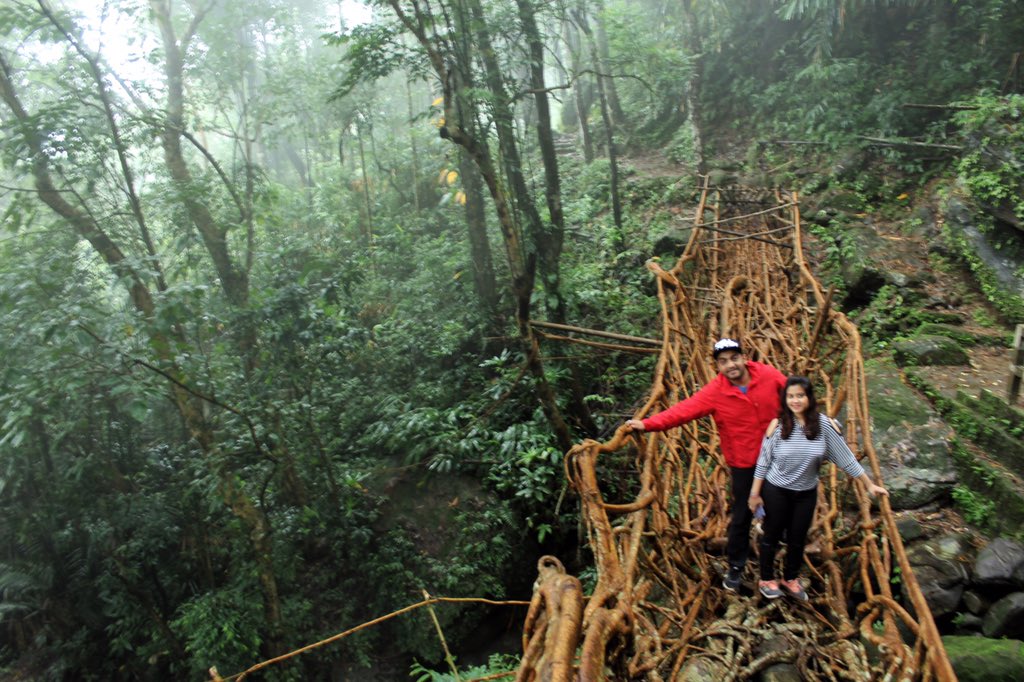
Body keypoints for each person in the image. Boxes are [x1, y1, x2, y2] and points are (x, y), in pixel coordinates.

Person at [625, 338, 786, 591]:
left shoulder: (768, 375)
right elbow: (682, 411)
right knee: (741, 516)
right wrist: (647, 424)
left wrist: (818, 423)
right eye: (723, 362)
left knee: (782, 504)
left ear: (744, 358)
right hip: (744, 463)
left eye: (734, 358)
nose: (730, 365)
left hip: (778, 455)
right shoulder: (715, 392)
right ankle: (736, 566)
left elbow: (796, 396)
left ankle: (776, 555)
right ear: (717, 366)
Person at [748, 376, 888, 601]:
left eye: (800, 396)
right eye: (791, 396)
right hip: (777, 490)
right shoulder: (778, 425)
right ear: (785, 400)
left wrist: (869, 484)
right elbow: (763, 461)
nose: (795, 401)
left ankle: (790, 579)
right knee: (772, 534)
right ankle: (766, 578)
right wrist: (755, 494)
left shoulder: (823, 425)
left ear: (809, 398)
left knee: (797, 537)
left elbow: (846, 458)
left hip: (805, 493)